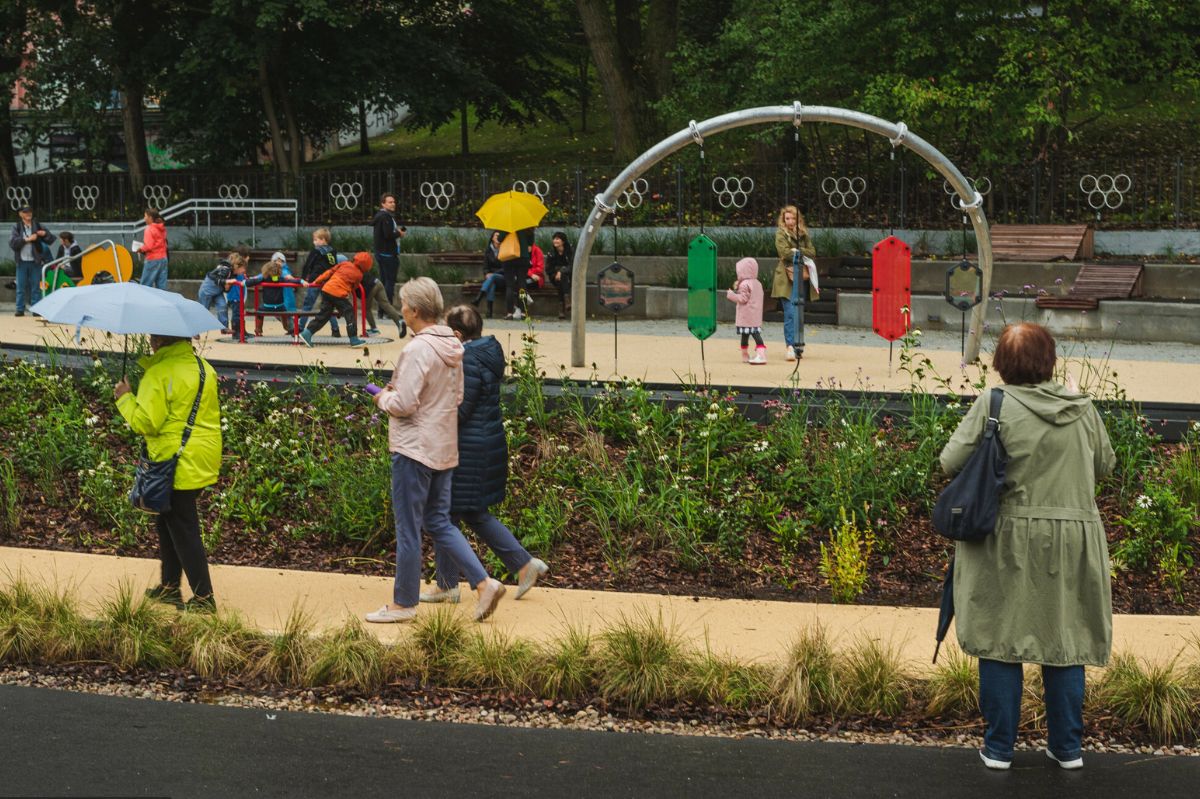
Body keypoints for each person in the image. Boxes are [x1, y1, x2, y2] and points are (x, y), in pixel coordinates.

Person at [939, 322, 1115, 772]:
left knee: (1000, 638)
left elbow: (949, 461)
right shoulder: (1081, 407)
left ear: (1001, 362)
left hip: (1005, 536)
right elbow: (1106, 465)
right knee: (1066, 638)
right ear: (1050, 360)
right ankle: (1068, 749)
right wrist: (1080, 398)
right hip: (1073, 539)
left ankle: (999, 750)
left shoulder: (994, 403)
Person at [366, 278, 506, 624]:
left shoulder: (416, 349)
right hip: (444, 446)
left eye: (403, 304)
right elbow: (455, 398)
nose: (401, 309)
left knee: (409, 528)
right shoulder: (454, 346)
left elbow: (405, 403)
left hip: (414, 448)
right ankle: (483, 582)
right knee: (439, 522)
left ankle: (403, 604)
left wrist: (382, 397)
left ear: (413, 310)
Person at [421, 304, 549, 605]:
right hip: (485, 442)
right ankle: (521, 564)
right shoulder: (486, 354)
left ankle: (450, 584)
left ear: (456, 333)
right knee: (466, 511)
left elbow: (461, 410)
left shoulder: (467, 361)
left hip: (468, 447)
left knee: (446, 511)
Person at [114, 334, 221, 612]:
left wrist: (125, 399)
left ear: (159, 341)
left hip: (174, 460)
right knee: (167, 519)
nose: (149, 341)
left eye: (152, 337)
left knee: (184, 528)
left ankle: (203, 598)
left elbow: (147, 423)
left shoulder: (159, 372)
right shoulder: (203, 367)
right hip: (201, 455)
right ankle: (170, 586)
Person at [771, 205, 816, 361]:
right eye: (787, 218)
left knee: (799, 313)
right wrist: (797, 251)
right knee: (790, 312)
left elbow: (812, 252)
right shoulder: (780, 233)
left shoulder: (803, 234)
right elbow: (783, 252)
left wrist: (796, 251)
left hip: (800, 276)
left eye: (792, 218)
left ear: (798, 219)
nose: (789, 221)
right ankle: (790, 346)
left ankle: (798, 346)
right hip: (785, 277)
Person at [299, 251, 371, 347]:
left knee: (324, 314)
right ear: (366, 267)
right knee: (349, 311)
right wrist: (346, 294)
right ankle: (353, 338)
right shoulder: (359, 275)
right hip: (338, 294)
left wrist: (317, 281)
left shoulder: (344, 264)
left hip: (326, 290)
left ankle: (307, 333)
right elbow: (353, 287)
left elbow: (329, 272)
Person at [8, 204, 51, 316]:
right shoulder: (17, 227)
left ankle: (36, 309)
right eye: (26, 212)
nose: (29, 214)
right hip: (21, 261)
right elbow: (13, 243)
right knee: (21, 286)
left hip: (35, 261)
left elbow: (50, 238)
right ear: (21, 214)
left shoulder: (37, 225)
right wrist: (27, 239)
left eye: (30, 211)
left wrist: (44, 233)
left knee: (36, 287)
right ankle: (20, 309)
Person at [300, 228, 340, 338]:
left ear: (323, 240)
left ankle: (300, 327)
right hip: (328, 281)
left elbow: (308, 264)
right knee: (328, 306)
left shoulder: (317, 251)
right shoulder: (332, 251)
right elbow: (335, 266)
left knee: (308, 304)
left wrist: (303, 278)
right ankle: (335, 329)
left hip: (316, 280)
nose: (314, 242)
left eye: (315, 239)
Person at [726, 257, 766, 365]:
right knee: (753, 334)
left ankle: (754, 355)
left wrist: (732, 295)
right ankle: (752, 355)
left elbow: (742, 299)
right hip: (755, 314)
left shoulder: (745, 284)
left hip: (746, 315)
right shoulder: (757, 283)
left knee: (749, 336)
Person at [245, 253, 294, 336]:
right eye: (276, 261)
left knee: (259, 312)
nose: (278, 263)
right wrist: (301, 281)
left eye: (280, 261)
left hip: (267, 306)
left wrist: (245, 282)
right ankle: (289, 328)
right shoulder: (281, 279)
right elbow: (291, 280)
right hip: (280, 306)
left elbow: (255, 280)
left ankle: (258, 329)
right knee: (284, 313)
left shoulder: (264, 278)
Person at [372, 193, 406, 303]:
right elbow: (387, 234)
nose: (393, 204)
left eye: (394, 202)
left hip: (380, 253)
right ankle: (388, 307)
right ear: (383, 204)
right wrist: (399, 233)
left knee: (383, 281)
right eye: (390, 202)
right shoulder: (385, 217)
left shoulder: (380, 216)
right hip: (388, 254)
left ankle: (382, 310)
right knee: (389, 282)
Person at [361, 263, 407, 339]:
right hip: (377, 282)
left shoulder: (349, 271)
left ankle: (374, 329)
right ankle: (399, 322)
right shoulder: (358, 267)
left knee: (366, 309)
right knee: (386, 305)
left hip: (369, 288)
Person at [197, 252, 237, 333]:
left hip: (217, 291)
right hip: (207, 291)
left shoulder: (231, 273)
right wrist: (227, 281)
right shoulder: (225, 269)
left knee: (223, 306)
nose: (244, 271)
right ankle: (196, 331)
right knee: (203, 311)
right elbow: (217, 279)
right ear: (236, 265)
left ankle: (224, 327)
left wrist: (227, 287)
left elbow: (225, 287)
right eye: (242, 268)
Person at [471, 231, 504, 319]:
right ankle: (489, 312)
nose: (498, 237)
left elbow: (505, 268)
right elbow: (485, 266)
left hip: (503, 277)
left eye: (500, 236)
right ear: (492, 238)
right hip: (492, 279)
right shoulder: (488, 251)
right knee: (491, 284)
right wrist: (486, 273)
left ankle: (479, 298)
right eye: (496, 236)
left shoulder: (505, 249)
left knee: (492, 277)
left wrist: (493, 274)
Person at [138, 208, 169, 290]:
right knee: (161, 287)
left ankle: (144, 303)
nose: (144, 218)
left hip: (153, 259)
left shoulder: (149, 229)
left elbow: (149, 246)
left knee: (145, 286)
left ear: (150, 218)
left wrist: (140, 249)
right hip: (163, 258)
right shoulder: (161, 228)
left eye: (145, 216)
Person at [547, 231, 573, 319]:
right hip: (554, 277)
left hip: (569, 277)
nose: (555, 241)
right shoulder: (551, 253)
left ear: (563, 241)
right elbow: (548, 269)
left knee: (563, 278)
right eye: (554, 239)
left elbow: (572, 266)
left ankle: (561, 310)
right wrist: (556, 274)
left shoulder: (569, 251)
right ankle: (567, 301)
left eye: (557, 239)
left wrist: (561, 271)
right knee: (562, 279)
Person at [225, 255, 250, 340]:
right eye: (243, 268)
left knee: (240, 314)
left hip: (239, 297)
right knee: (236, 315)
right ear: (237, 267)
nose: (244, 270)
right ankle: (236, 332)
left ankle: (243, 331)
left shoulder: (240, 274)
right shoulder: (232, 274)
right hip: (234, 297)